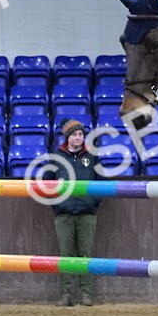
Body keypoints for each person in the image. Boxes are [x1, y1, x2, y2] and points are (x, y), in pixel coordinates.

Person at [52, 118, 102, 306]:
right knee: (65, 255)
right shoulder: (56, 158)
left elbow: (101, 182)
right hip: (63, 213)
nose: (78, 138)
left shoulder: (93, 157)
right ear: (67, 137)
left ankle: (86, 293)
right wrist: (57, 205)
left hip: (87, 213)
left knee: (86, 254)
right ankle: (65, 294)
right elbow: (46, 184)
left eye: (80, 134)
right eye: (74, 134)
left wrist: (93, 203)